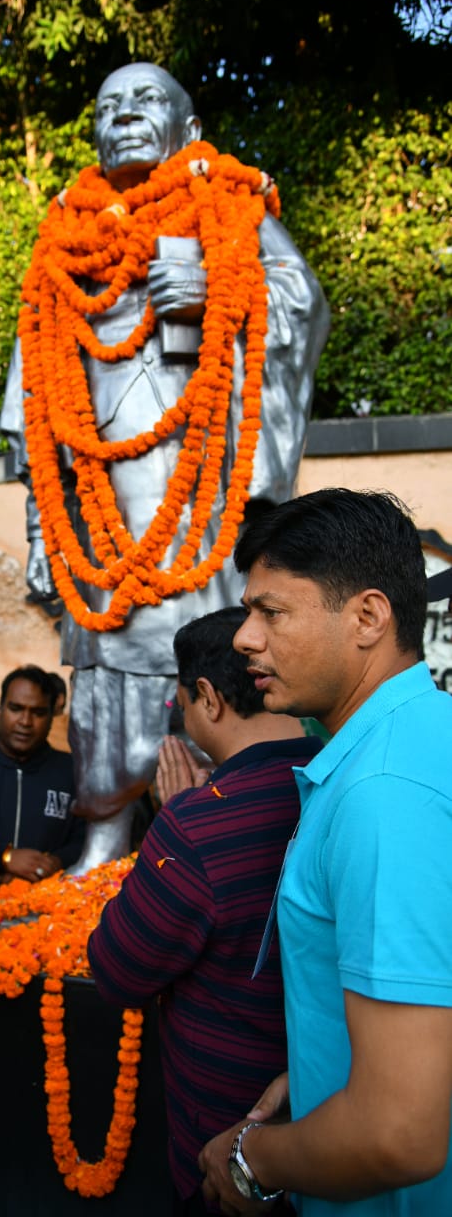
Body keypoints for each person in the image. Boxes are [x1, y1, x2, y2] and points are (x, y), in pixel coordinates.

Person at [1, 61, 330, 870]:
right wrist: (46, 528)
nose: (125, 115)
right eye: (109, 105)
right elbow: (33, 387)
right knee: (104, 664)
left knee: (209, 650)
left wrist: (218, 285)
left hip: (197, 499)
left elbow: (302, 305)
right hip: (96, 501)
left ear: (186, 125)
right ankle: (107, 831)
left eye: (146, 100)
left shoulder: (229, 207)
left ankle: (221, 842)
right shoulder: (65, 238)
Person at [198, 489, 452, 1216]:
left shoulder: (384, 793)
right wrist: (319, 1079)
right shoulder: (413, 738)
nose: (244, 637)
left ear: (367, 617)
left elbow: (397, 1134)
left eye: (270, 612)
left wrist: (251, 1158)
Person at [87, 607, 320, 1215]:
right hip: (336, 1117)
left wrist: (176, 821)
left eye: (183, 703)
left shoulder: (197, 826)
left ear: (209, 698)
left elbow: (117, 971)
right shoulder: (344, 779)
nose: (185, 717)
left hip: (233, 1146)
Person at [0, 665, 84, 883]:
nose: (25, 722)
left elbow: (84, 838)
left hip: (47, 907)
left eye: (38, 713)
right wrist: (3, 857)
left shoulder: (71, 771)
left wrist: (56, 862)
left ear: (52, 717)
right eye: (16, 708)